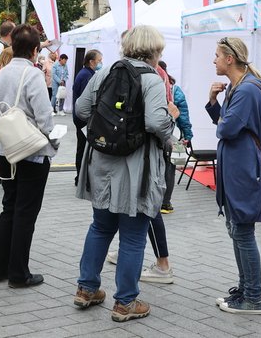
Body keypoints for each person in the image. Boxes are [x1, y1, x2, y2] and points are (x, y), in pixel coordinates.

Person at [72, 25, 175, 322]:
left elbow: (81, 108)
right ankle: (125, 302)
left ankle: (86, 288)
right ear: (154, 51)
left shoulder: (105, 72)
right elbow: (157, 121)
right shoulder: (151, 79)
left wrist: (106, 130)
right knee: (132, 236)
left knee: (100, 227)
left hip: (102, 161)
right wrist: (171, 126)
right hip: (136, 165)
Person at [206, 36, 261, 316]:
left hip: (244, 171)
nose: (214, 60)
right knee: (237, 231)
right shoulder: (240, 87)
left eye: (217, 56)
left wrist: (220, 118)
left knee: (242, 233)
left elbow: (227, 129)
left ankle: (253, 298)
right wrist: (213, 102)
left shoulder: (247, 90)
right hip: (238, 169)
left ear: (229, 59)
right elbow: (227, 125)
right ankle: (245, 290)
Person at [0, 24, 55, 288]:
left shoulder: (0, 74)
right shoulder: (34, 75)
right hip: (32, 153)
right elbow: (45, 119)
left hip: (5, 151)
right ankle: (19, 273)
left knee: (9, 208)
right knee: (26, 213)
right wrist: (53, 139)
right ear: (35, 49)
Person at [160, 75, 191, 214]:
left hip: (151, 135)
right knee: (170, 169)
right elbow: (183, 115)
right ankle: (165, 203)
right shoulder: (175, 90)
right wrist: (187, 136)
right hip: (169, 136)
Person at [72, 49, 102, 186]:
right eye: (99, 60)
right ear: (91, 61)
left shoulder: (87, 73)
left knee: (83, 147)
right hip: (83, 119)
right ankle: (81, 177)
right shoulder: (86, 76)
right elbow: (87, 100)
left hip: (81, 117)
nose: (100, 63)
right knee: (84, 148)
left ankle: (81, 177)